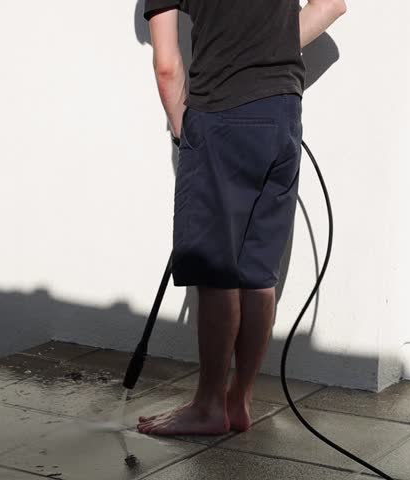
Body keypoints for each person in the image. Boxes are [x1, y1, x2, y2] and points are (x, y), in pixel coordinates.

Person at [138, 0, 347, 436]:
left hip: (222, 115)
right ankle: (240, 400)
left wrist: (185, 132)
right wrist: (266, 50)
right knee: (256, 270)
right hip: (283, 115)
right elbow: (332, 4)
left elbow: (167, 67)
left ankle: (209, 406)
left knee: (216, 270)